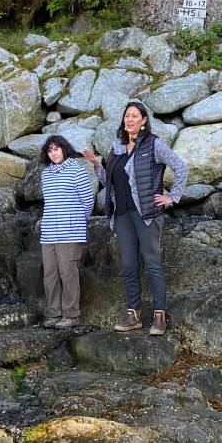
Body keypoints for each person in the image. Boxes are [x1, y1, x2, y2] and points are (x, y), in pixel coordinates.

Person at [82, 101, 187, 336]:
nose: (129, 120)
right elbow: (109, 181)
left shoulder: (154, 144)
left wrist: (172, 197)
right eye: (126, 116)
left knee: (152, 264)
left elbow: (180, 167)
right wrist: (97, 165)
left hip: (147, 214)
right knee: (129, 266)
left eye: (134, 116)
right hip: (122, 215)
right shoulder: (117, 147)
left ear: (143, 121)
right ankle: (134, 316)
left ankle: (159, 317)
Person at [39, 135, 95, 329]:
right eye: (50, 150)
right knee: (50, 275)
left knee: (68, 273)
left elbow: (88, 202)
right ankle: (54, 313)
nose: (53, 153)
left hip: (70, 232)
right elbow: (48, 203)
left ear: (64, 149)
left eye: (56, 148)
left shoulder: (77, 171)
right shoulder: (45, 174)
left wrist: (76, 221)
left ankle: (71, 315)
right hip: (48, 233)